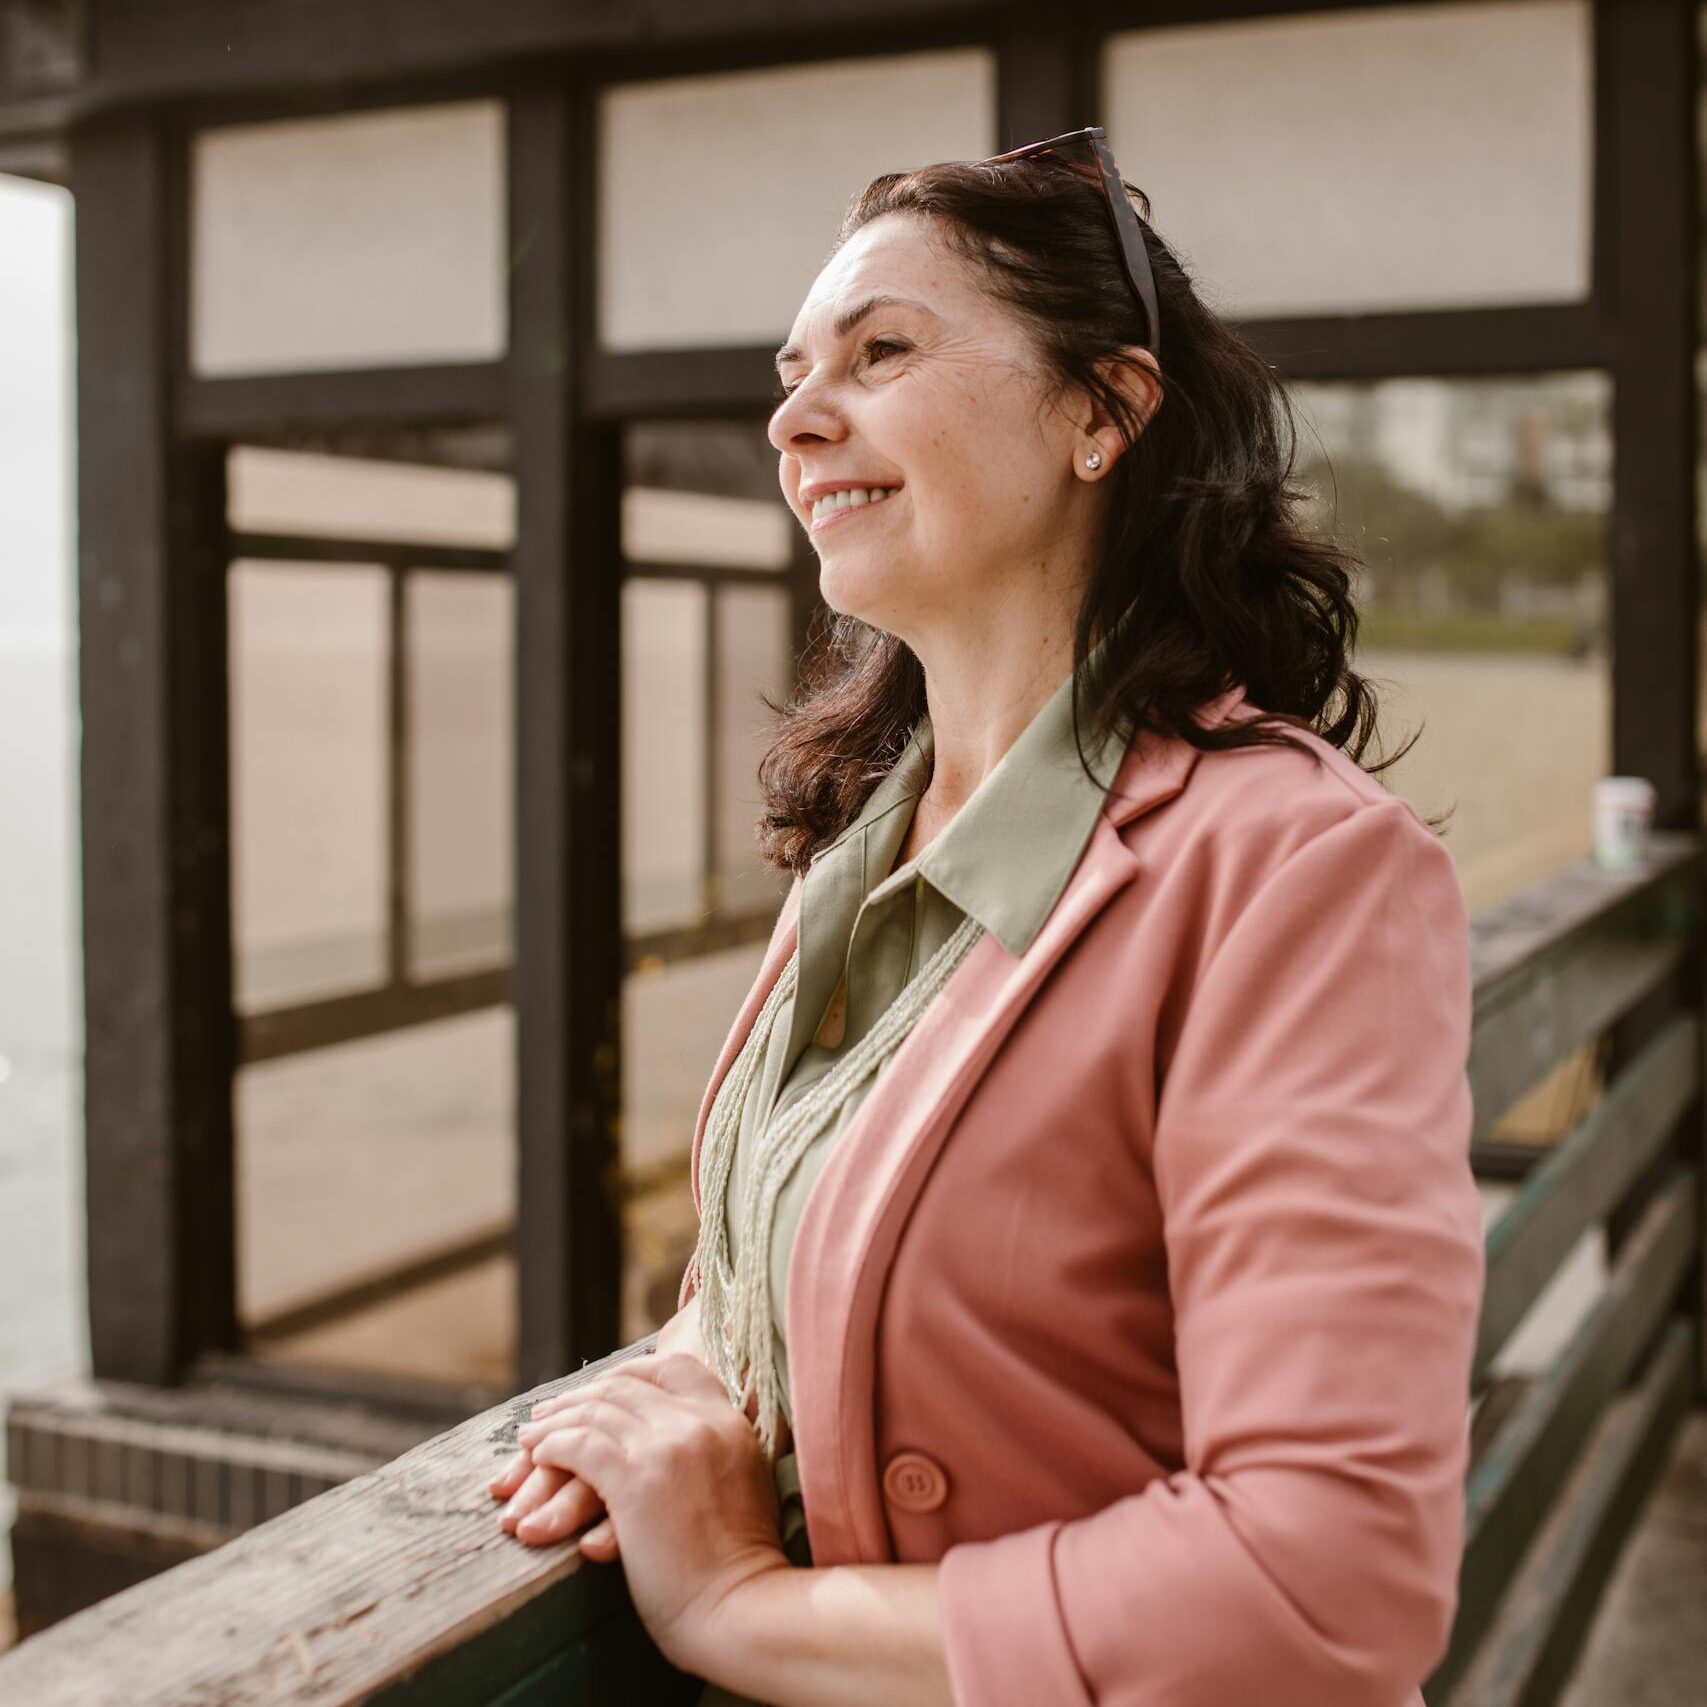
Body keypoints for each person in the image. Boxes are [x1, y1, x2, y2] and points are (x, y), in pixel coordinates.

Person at [484, 127, 1485, 1707]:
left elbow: (1324, 1579)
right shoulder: (856, 859)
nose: (797, 414)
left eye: (881, 352)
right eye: (794, 370)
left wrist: (738, 1608)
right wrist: (662, 1401)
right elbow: (782, 1255)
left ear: (1104, 412)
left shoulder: (1295, 871)